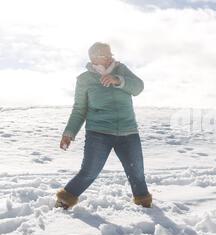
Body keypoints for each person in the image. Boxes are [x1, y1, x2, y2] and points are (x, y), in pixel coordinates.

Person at [55, 42, 152, 209]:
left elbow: (138, 87)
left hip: (128, 132)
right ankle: (64, 200)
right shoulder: (85, 79)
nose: (109, 58)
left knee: (137, 172)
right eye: (104, 55)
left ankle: (144, 203)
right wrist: (69, 132)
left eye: (110, 54)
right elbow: (79, 109)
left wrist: (118, 80)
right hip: (99, 133)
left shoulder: (121, 70)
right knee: (89, 172)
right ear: (93, 58)